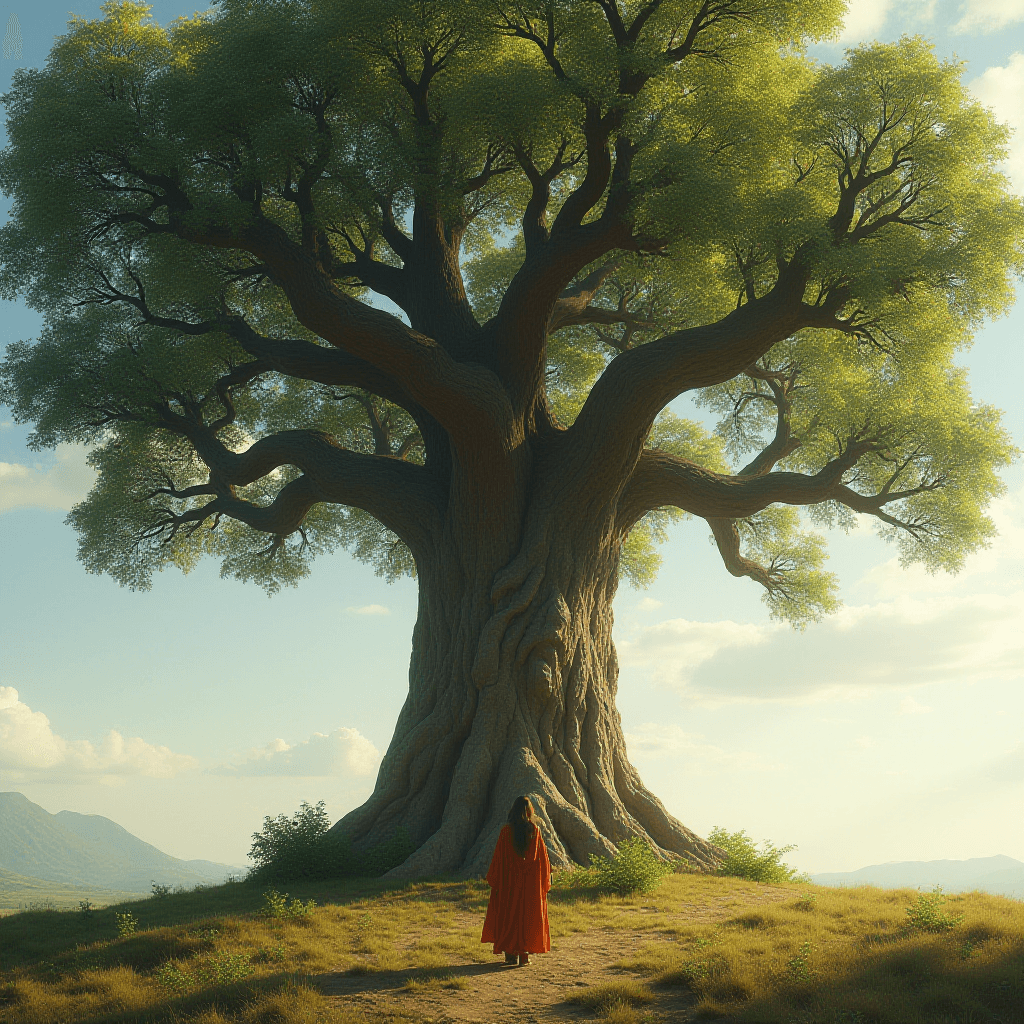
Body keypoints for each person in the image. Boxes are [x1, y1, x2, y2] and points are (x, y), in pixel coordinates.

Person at [481, 795, 551, 967]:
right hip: (529, 886)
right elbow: (542, 860)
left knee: (509, 917)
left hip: (509, 884)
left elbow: (499, 859)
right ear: (529, 811)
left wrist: (496, 880)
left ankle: (510, 956)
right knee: (527, 918)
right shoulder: (534, 831)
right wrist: (542, 882)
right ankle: (524, 957)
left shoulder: (506, 832)